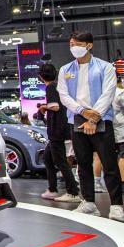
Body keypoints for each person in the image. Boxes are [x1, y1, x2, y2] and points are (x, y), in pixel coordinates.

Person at [58, 31, 124, 221]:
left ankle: (117, 205)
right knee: (83, 163)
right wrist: (82, 111)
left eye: (78, 44)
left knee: (109, 164)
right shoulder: (65, 69)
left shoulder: (105, 67)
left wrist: (94, 117)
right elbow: (64, 95)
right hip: (77, 118)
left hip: (101, 118)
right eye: (71, 44)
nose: (73, 48)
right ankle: (88, 202)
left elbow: (108, 93)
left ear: (89, 45)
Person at [37, 63, 80, 202]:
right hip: (62, 127)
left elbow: (55, 107)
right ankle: (52, 189)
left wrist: (44, 107)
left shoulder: (50, 87)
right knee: (47, 158)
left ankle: (73, 192)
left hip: (56, 129)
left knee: (60, 161)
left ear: (41, 76)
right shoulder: (59, 87)